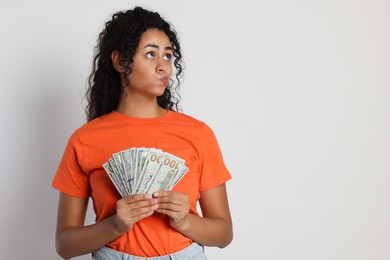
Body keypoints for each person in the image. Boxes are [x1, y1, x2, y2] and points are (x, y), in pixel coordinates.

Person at [52, 6, 233, 260]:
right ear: (119, 61)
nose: (164, 67)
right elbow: (65, 245)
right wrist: (115, 224)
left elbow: (224, 234)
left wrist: (185, 221)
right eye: (150, 55)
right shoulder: (85, 140)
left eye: (168, 56)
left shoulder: (198, 134)